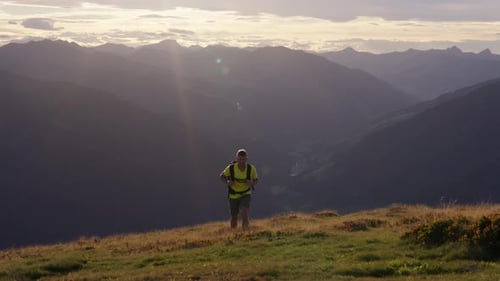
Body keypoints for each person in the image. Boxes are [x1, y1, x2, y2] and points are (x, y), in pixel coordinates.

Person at [219, 148, 258, 230]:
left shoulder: (251, 168)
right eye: (239, 159)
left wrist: (252, 183)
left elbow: (256, 179)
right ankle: (234, 233)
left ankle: (245, 231)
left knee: (244, 211)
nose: (241, 161)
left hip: (245, 193)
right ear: (236, 159)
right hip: (233, 195)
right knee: (234, 216)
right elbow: (222, 176)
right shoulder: (231, 168)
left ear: (246, 159)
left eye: (243, 159)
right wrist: (227, 182)